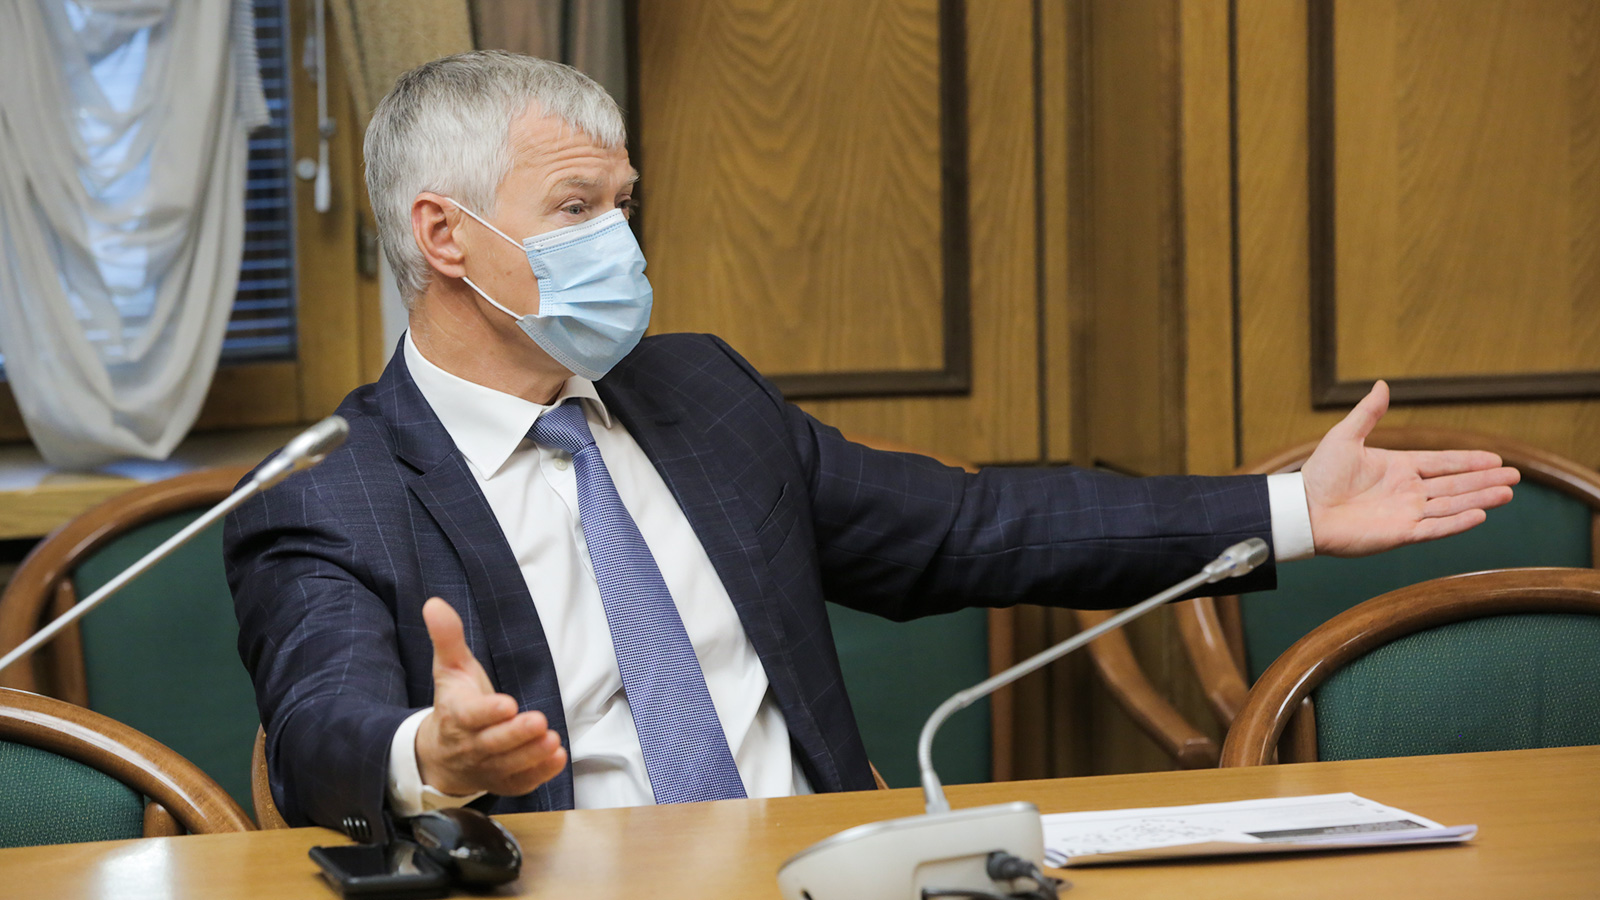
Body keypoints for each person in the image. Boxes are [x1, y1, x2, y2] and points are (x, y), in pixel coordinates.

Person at [224, 51, 1518, 839]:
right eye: (576, 208)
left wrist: (1289, 510)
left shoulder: (698, 394)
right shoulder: (331, 490)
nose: (620, 242)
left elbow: (972, 529)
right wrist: (428, 758)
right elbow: (321, 723)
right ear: (445, 237)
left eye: (624, 204)